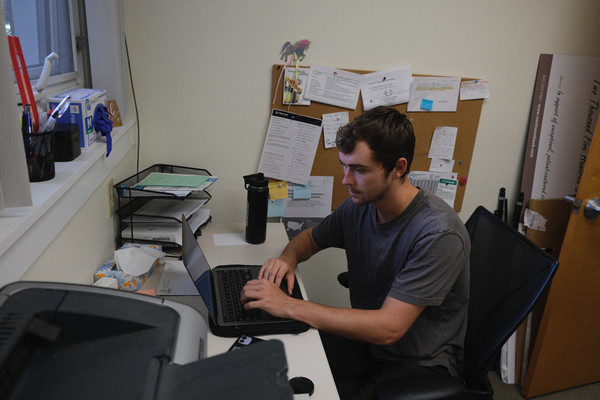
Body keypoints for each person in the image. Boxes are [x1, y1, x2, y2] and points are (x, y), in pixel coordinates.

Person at [241, 106, 470, 400]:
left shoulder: (438, 234)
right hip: (370, 344)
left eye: (359, 170)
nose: (346, 180)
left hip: (417, 364)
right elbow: (310, 239)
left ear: (398, 168)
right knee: (278, 360)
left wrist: (288, 306)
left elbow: (389, 328)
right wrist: (287, 259)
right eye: (344, 165)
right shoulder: (360, 205)